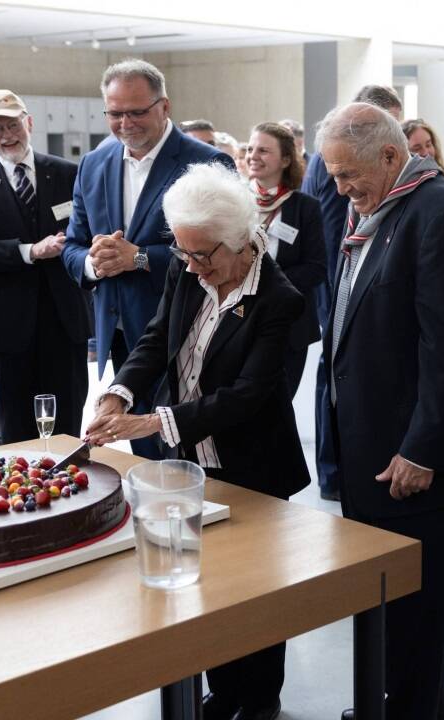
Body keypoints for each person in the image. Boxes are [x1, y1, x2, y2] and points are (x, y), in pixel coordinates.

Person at [83, 163, 308, 720]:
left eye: (202, 256)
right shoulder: (189, 266)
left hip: (252, 463)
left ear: (239, 243)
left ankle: (258, 699)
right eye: (182, 253)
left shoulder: (279, 300)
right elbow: (158, 337)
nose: (190, 266)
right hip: (190, 463)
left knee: (254, 594)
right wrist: (120, 393)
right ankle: (222, 689)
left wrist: (155, 423)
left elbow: (246, 397)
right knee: (201, 584)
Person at [319, 101, 444, 720]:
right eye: (332, 175)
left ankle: (414, 709)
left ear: (391, 156)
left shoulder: (438, 212)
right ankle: (392, 705)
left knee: (417, 622)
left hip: (412, 464)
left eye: (346, 175)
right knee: (387, 610)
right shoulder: (378, 205)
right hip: (371, 450)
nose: (339, 189)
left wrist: (422, 448)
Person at [61, 59, 234, 459]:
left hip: (184, 332)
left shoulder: (206, 164)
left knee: (184, 449)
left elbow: (227, 255)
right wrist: (93, 262)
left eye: (137, 111)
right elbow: (72, 246)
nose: (126, 123)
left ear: (165, 106)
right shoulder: (93, 164)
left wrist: (138, 258)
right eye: (115, 113)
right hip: (119, 333)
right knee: (141, 447)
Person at [0, 90, 91, 445]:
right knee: (16, 425)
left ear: (28, 122)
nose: (7, 135)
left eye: (12, 124)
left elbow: (87, 232)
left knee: (68, 417)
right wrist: (28, 251)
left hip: (65, 319)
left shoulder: (68, 173)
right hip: (8, 325)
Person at [303, 84, 403, 503]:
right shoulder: (335, 160)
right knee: (336, 370)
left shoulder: (433, 208)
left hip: (350, 277)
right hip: (341, 277)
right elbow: (332, 226)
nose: (342, 185)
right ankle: (333, 471)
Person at [244, 122, 325, 398]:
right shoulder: (234, 201)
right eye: (251, 148)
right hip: (239, 322)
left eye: (264, 150)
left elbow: (316, 268)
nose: (253, 155)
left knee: (280, 408)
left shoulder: (306, 207)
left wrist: (267, 284)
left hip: (289, 326)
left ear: (286, 159)